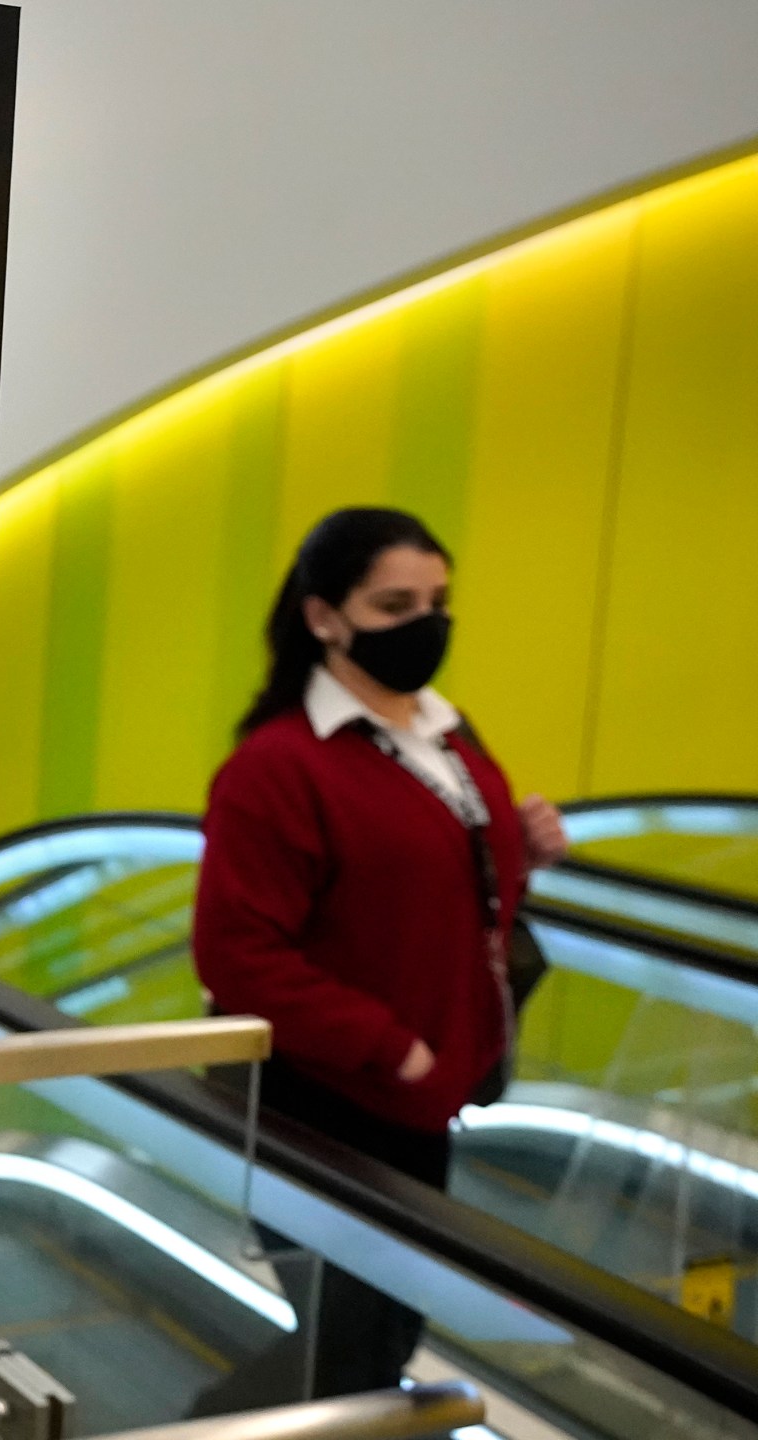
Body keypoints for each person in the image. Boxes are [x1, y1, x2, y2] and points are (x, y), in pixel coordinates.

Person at [189, 507, 568, 1407]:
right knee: (352, 1348)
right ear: (324, 617)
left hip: (421, 1102)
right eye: (395, 604)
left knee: (387, 1333)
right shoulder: (279, 766)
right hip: (320, 1103)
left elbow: (439, 884)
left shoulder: (448, 735)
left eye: (438, 601)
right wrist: (391, 1044)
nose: (426, 625)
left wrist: (518, 848)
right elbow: (237, 955)